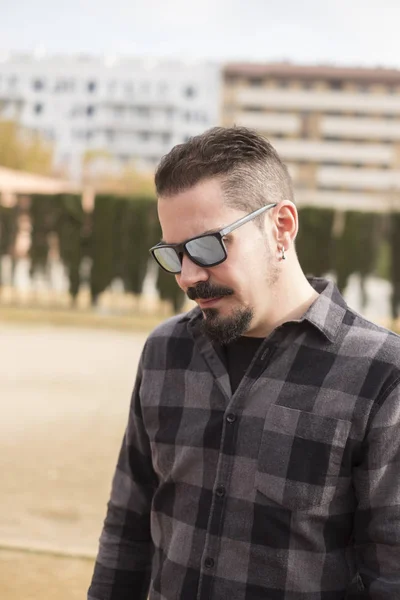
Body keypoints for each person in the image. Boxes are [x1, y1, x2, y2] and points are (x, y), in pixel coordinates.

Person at [88, 127, 400, 599]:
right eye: (173, 255)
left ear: (281, 227)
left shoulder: (381, 375)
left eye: (208, 246)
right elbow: (127, 530)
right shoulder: (164, 352)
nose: (189, 277)